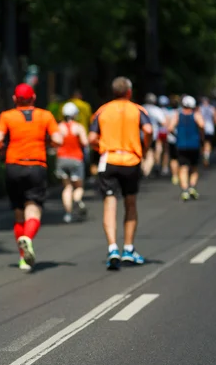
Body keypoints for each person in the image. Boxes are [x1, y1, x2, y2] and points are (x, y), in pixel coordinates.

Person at [0, 84, 63, 271]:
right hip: (36, 165)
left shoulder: (7, 116)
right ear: (34, 98)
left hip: (13, 166)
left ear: (15, 99)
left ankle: (23, 258)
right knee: (34, 209)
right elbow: (59, 140)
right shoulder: (45, 115)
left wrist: (3, 149)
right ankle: (28, 238)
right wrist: (44, 141)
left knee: (18, 212)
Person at [89, 77, 153, 270]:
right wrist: (144, 148)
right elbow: (148, 129)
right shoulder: (138, 110)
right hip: (131, 160)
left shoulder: (102, 111)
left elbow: (92, 137)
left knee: (110, 203)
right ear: (129, 92)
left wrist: (102, 148)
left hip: (109, 160)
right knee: (130, 203)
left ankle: (112, 248)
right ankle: (128, 248)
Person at [56, 102, 88, 223]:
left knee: (67, 187)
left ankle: (68, 214)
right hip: (76, 159)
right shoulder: (78, 127)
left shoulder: (59, 127)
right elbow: (85, 142)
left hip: (62, 159)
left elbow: (56, 142)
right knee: (78, 187)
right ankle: (77, 199)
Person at [168, 95, 204, 201]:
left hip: (181, 145)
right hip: (194, 144)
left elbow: (170, 128)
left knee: (183, 168)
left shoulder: (177, 115)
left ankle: (184, 190)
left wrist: (177, 136)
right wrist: (200, 136)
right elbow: (202, 125)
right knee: (194, 167)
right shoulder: (196, 115)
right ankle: (192, 187)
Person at [141, 93, 167, 178]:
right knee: (150, 153)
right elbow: (163, 123)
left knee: (141, 153)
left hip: (140, 134)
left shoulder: (141, 108)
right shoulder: (156, 110)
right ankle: (145, 171)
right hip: (152, 135)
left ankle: (142, 168)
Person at [159, 95, 179, 182]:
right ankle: (178, 173)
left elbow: (166, 125)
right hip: (179, 138)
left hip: (170, 137)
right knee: (177, 157)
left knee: (169, 154)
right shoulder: (180, 112)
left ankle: (172, 173)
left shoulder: (168, 113)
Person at [199, 97, 216, 167]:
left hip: (201, 129)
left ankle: (204, 157)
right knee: (208, 143)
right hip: (210, 128)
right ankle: (206, 157)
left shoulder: (199, 109)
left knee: (202, 144)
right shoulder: (212, 108)